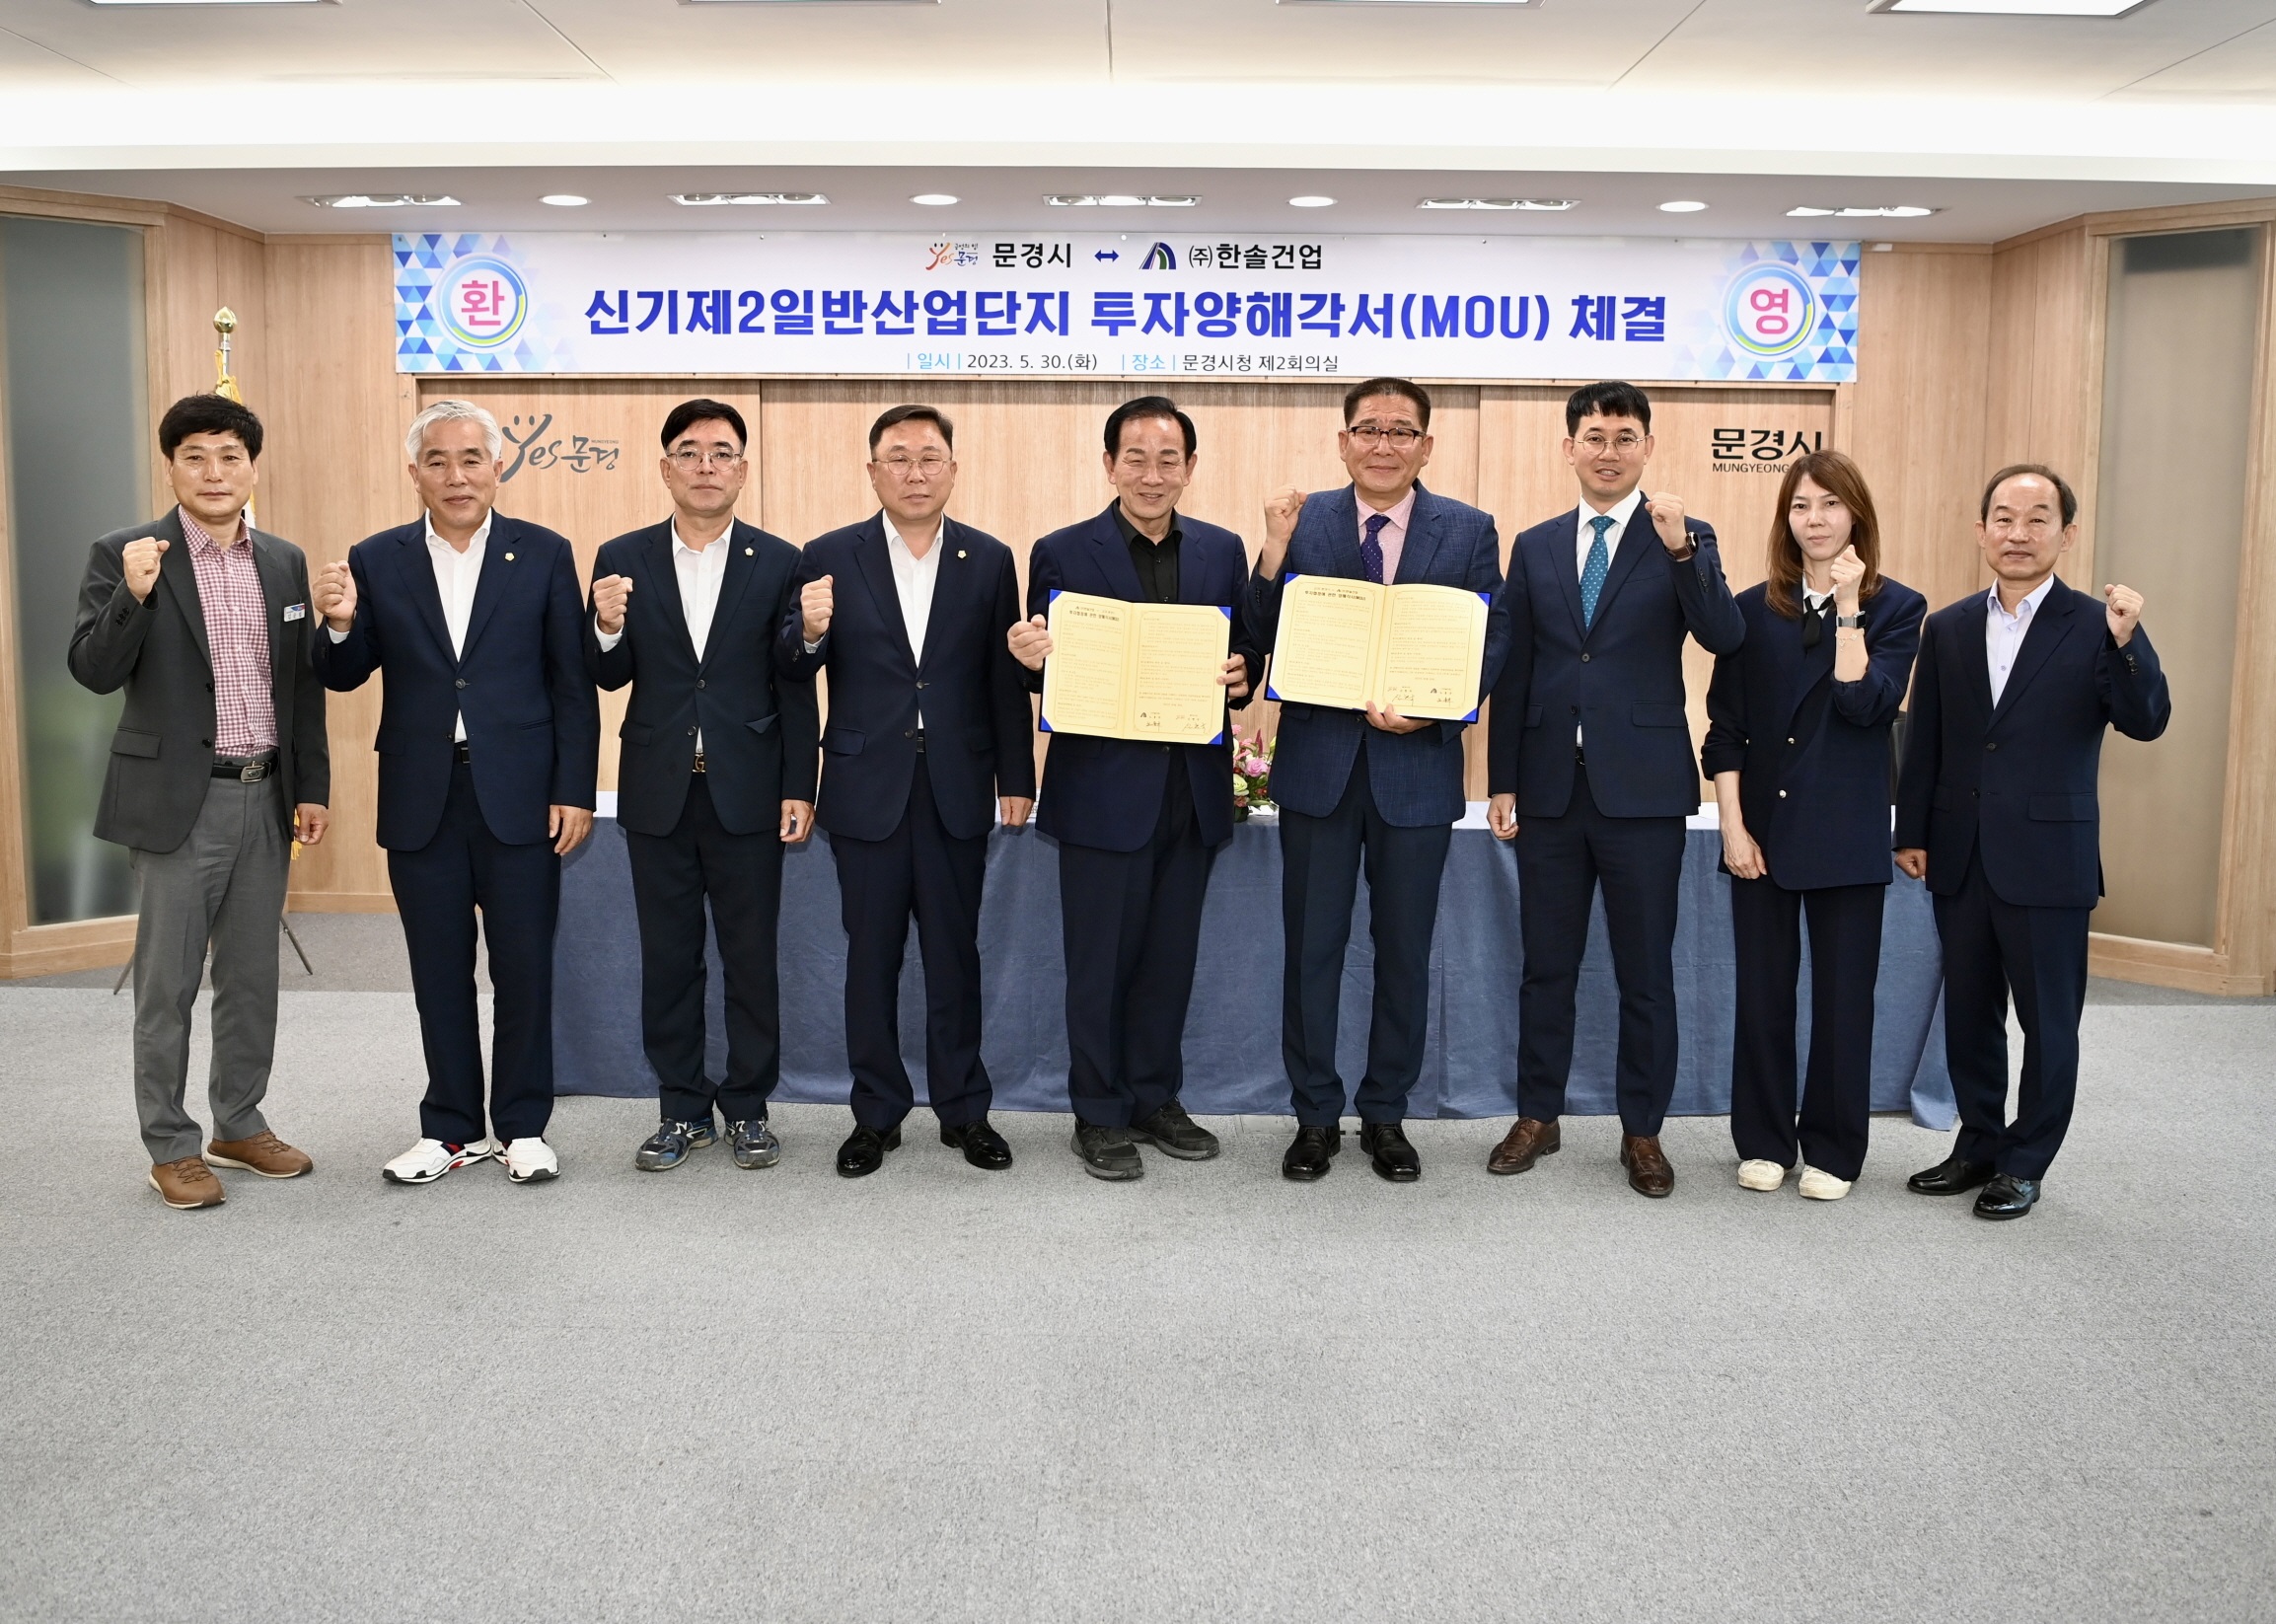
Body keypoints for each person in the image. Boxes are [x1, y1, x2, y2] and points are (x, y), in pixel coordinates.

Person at [312, 399, 598, 1187]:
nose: (456, 475)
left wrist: (573, 788)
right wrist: (338, 623)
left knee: (523, 970)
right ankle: (449, 1129)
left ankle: (523, 1127)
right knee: (438, 973)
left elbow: (571, 684)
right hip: (422, 797)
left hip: (522, 795)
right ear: (414, 472)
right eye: (437, 461)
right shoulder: (377, 557)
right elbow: (343, 673)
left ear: (497, 466)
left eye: (471, 459)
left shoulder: (544, 552)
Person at [67, 394, 330, 1211]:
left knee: (252, 979)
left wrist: (312, 788)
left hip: (266, 795)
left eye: (229, 456)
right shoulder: (126, 553)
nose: (214, 473)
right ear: (171, 466)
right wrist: (133, 596)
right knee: (169, 984)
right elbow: (93, 671)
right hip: (178, 802)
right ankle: (171, 1145)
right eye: (195, 457)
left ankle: (239, 1124)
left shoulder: (282, 561)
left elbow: (301, 686)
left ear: (252, 467)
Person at [1485, 380, 1744, 1197]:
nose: (1608, 452)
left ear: (1647, 448)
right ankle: (1537, 1114)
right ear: (1569, 448)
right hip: (1550, 789)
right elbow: (1516, 668)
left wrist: (1682, 552)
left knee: (1645, 974)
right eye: (1593, 437)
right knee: (1545, 966)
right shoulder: (1534, 544)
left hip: (1644, 792)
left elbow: (1724, 635)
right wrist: (1502, 780)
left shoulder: (1682, 536)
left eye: (1624, 437)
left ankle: (1643, 1131)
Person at [1246, 377, 1504, 1184]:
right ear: (1342, 442)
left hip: (1416, 773)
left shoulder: (1468, 530)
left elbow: (1489, 641)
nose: (1382, 445)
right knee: (1311, 951)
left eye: (1400, 431)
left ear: (1425, 446)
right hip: (1318, 771)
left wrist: (1437, 711)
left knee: (1404, 952)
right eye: (1367, 429)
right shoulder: (1303, 521)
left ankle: (1387, 1113)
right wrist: (1271, 551)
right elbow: (1255, 636)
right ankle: (1314, 1116)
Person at [1894, 465, 2167, 1220]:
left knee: (2048, 1024)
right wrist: (1911, 831)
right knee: (1968, 1013)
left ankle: (2025, 1161)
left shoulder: (2098, 624)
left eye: (2037, 519)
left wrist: (2129, 643)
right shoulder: (1947, 625)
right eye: (2004, 519)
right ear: (1981, 530)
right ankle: (1978, 1143)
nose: (2018, 533)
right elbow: (1925, 739)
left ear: (2065, 534)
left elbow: (2146, 720)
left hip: (2049, 858)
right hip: (1959, 852)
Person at [776, 406, 1036, 1178]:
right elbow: (793, 672)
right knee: (871, 959)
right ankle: (875, 1115)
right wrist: (808, 632)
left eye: (929, 458)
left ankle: (964, 1111)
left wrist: (1016, 777)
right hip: (865, 788)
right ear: (872, 471)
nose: (914, 472)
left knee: (956, 956)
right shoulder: (828, 555)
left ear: (952, 470)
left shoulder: (988, 558)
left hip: (958, 785)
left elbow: (1002, 678)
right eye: (897, 458)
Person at [1007, 397, 1260, 1180]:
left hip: (1190, 790)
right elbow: (1046, 666)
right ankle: (1098, 1110)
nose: (1152, 475)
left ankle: (1154, 1098)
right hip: (1100, 793)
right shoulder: (1061, 551)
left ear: (1190, 467)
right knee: (1099, 964)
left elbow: (1241, 658)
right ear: (1109, 464)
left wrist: (1241, 673)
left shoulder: (1220, 550)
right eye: (1136, 459)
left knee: (1167, 961)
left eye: (1168, 459)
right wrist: (1029, 656)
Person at [587, 399, 818, 1174]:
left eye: (721, 452)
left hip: (748, 790)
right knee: (669, 959)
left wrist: (800, 783)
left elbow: (793, 681)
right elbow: (607, 675)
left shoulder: (779, 560)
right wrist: (606, 627)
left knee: (750, 959)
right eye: (689, 452)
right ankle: (682, 1108)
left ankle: (748, 1107)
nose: (705, 465)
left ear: (742, 469)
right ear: (665, 468)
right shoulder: (621, 557)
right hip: (658, 789)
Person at [1703, 451, 1925, 1201]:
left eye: (1830, 504)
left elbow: (1865, 706)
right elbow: (1725, 731)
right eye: (1800, 506)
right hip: (1761, 831)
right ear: (1784, 520)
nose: (1815, 519)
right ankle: (1764, 1140)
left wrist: (1849, 607)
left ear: (1855, 514)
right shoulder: (1750, 609)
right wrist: (1732, 829)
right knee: (1763, 996)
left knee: (1843, 1001)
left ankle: (1834, 1148)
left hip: (1845, 832)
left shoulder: (1898, 607)